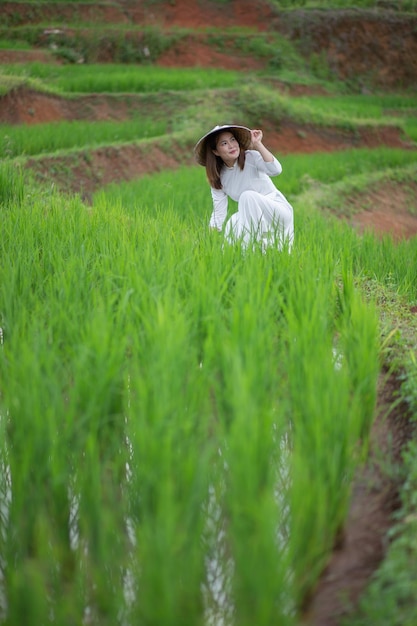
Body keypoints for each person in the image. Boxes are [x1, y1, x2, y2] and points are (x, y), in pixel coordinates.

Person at [194, 124, 294, 251]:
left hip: (277, 211)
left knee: (247, 196)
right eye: (224, 143)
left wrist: (258, 144)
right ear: (215, 151)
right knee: (233, 222)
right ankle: (232, 258)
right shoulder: (219, 178)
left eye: (232, 140)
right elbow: (219, 212)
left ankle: (260, 242)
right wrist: (207, 238)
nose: (231, 145)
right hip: (253, 217)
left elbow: (275, 170)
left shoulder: (251, 157)